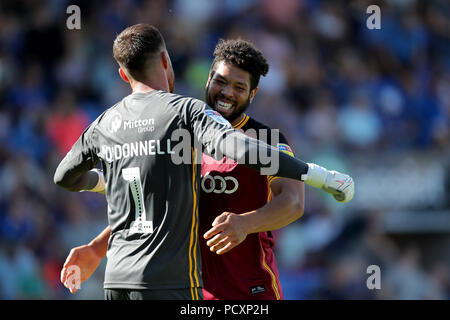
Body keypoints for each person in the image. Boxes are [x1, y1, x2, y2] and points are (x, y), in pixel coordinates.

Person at [55, 24, 354, 300]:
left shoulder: (266, 138)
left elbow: (292, 203)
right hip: (192, 290)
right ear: (208, 78)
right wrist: (97, 246)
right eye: (221, 82)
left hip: (248, 288)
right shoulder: (182, 129)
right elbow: (151, 203)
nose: (226, 93)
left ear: (253, 93)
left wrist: (245, 223)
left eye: (239, 87)